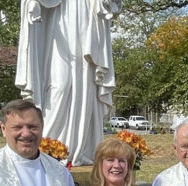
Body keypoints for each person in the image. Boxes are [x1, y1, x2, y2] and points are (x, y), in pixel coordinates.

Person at [15, 0, 117, 165]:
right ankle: (47, 147)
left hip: (87, 20)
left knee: (86, 88)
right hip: (60, 21)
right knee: (59, 87)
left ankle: (82, 149)